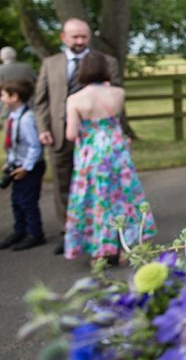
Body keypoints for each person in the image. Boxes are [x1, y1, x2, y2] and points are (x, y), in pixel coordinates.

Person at [34, 18, 121, 255]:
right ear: (64, 37)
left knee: (102, 188)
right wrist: (43, 128)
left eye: (83, 36)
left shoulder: (107, 62)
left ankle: (106, 233)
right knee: (64, 185)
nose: (80, 41)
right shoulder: (50, 63)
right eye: (75, 37)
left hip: (98, 140)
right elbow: (40, 100)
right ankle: (69, 232)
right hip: (60, 135)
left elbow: (115, 98)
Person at [63, 53, 155, 263]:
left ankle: (100, 249)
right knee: (124, 197)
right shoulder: (118, 93)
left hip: (92, 153)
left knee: (97, 199)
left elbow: (71, 133)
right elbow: (116, 121)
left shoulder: (75, 99)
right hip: (116, 148)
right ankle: (126, 245)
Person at [0, 80, 46, 251]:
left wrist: (26, 168)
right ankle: (20, 231)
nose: (1, 98)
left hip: (30, 167)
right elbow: (15, 144)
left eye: (4, 95)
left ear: (15, 97)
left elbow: (34, 146)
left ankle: (35, 233)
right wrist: (10, 163)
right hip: (17, 164)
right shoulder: (13, 117)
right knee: (16, 201)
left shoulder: (27, 119)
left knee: (27, 201)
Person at [0, 46, 37, 118]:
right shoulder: (26, 67)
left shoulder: (1, 70)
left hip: (7, 107)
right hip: (29, 104)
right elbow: (36, 81)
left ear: (2, 57)